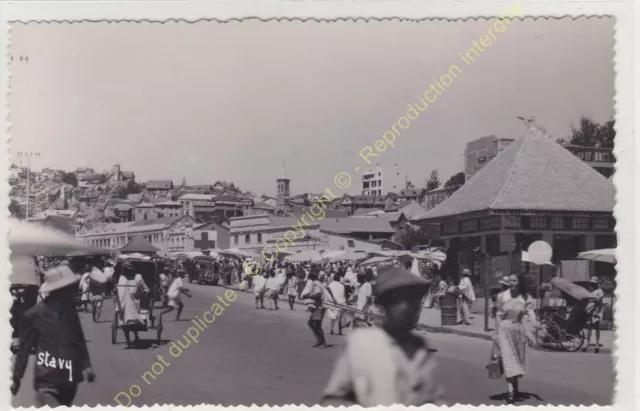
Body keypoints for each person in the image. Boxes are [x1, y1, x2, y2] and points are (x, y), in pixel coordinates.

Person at [321, 266, 445, 406]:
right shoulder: (361, 344)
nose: (408, 308)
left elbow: (435, 399)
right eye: (399, 300)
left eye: (414, 301)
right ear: (385, 305)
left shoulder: (421, 349)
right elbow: (334, 399)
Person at [11, 266, 96, 406]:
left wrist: (87, 365)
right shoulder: (34, 315)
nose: (72, 291)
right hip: (47, 380)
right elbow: (24, 349)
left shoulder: (70, 311)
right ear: (59, 291)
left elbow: (78, 338)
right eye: (69, 288)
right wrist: (16, 377)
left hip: (69, 379)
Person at [495, 274, 539, 404]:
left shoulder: (525, 297)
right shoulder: (502, 296)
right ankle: (510, 393)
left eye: (514, 280)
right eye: (510, 280)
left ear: (520, 283)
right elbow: (498, 316)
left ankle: (515, 388)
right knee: (508, 359)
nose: (511, 283)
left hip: (518, 330)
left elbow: (530, 311)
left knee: (517, 359)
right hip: (504, 329)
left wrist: (535, 324)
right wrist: (496, 333)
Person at [301, 272, 329, 349]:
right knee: (310, 323)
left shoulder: (315, 283)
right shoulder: (317, 283)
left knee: (318, 326)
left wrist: (308, 296)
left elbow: (318, 295)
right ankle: (319, 340)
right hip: (316, 306)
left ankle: (323, 343)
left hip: (319, 307)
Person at [584, 276, 605, 353]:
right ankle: (588, 343)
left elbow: (600, 302)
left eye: (594, 283)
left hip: (596, 311)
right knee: (588, 327)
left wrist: (598, 312)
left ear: (597, 284)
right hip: (589, 311)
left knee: (596, 327)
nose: (592, 284)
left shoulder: (600, 291)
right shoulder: (590, 291)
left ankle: (596, 344)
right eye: (592, 283)